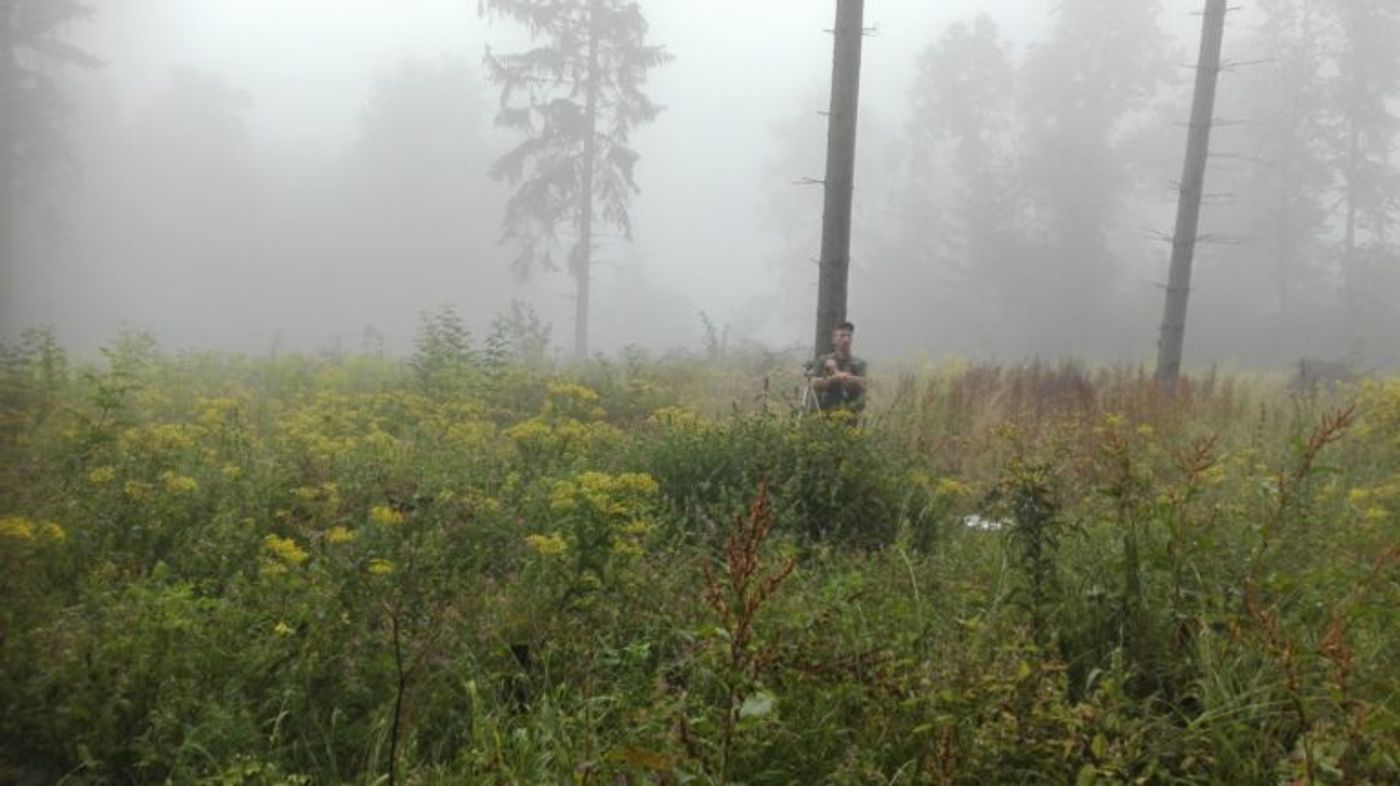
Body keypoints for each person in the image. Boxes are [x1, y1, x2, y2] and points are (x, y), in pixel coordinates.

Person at [806, 321, 868, 416]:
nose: (846, 339)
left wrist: (836, 372)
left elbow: (863, 384)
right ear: (834, 339)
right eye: (842, 336)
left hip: (850, 413)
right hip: (825, 412)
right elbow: (813, 383)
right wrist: (832, 380)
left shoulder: (859, 363)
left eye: (849, 336)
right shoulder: (823, 360)